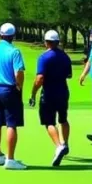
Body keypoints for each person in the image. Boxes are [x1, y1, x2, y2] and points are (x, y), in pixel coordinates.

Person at [29, 30, 73, 167]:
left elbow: (39, 79)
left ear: (46, 42)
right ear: (58, 42)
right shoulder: (65, 56)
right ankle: (65, 143)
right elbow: (69, 75)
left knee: (49, 122)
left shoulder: (44, 58)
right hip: (63, 92)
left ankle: (58, 146)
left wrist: (33, 94)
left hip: (48, 94)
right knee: (63, 119)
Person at [0, 22, 27, 170]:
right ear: (13, 36)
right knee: (11, 124)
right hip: (8, 89)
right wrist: (19, 86)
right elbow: (19, 73)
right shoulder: (14, 51)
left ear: (0, 34)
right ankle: (10, 159)